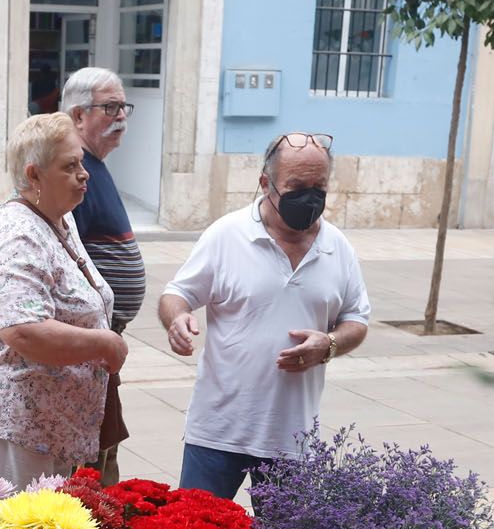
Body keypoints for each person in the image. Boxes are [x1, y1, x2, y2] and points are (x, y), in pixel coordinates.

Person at [157, 131, 370, 499]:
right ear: (265, 183)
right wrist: (176, 318)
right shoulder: (227, 235)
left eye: (318, 186)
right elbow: (177, 294)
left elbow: (356, 319)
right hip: (218, 432)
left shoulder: (338, 247)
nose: (309, 196)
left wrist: (330, 344)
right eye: (296, 185)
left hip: (292, 438)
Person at [0, 111, 123, 488]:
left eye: (81, 162)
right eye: (69, 166)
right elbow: (23, 331)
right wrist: (104, 342)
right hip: (21, 428)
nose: (84, 174)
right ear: (34, 176)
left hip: (54, 423)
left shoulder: (59, 218)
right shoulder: (16, 234)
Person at [63, 67, 143, 485]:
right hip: (87, 343)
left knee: (104, 443)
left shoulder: (94, 165)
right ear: (78, 116)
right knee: (91, 455)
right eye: (110, 108)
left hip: (103, 339)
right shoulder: (77, 175)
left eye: (123, 107)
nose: (122, 118)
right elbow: (66, 254)